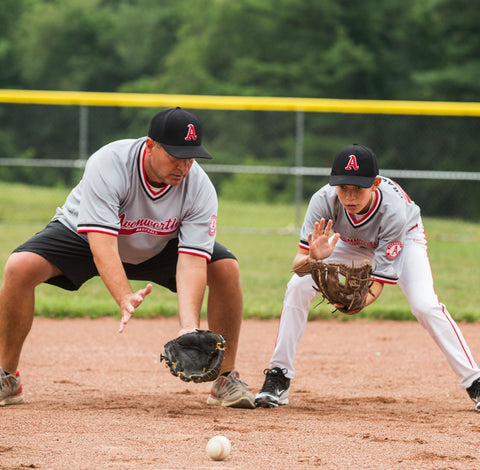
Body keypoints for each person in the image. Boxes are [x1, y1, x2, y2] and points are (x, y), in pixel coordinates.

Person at [0, 107, 255, 409]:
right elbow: (102, 244)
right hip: (85, 237)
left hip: (161, 245)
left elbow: (192, 260)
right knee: (20, 267)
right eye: (175, 155)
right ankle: (6, 377)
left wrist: (189, 326)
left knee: (225, 268)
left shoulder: (199, 187)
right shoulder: (109, 163)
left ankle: (225, 379)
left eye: (190, 157)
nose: (184, 166)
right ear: (150, 146)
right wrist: (123, 295)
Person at [255, 143, 480, 412]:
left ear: (374, 183)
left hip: (403, 237)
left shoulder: (393, 210)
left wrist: (357, 303)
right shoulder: (322, 201)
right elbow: (298, 264)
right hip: (345, 242)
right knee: (297, 286)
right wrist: (314, 259)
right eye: (343, 188)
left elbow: (379, 282)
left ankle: (474, 381)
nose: (349, 196)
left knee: (425, 305)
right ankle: (278, 376)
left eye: (357, 189)